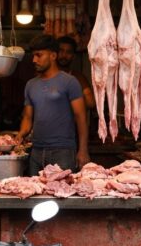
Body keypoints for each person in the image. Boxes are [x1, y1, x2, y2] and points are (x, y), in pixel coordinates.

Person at [16, 34, 90, 175]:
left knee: (61, 195)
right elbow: (27, 117)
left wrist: (83, 150)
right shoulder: (30, 85)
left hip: (63, 151)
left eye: (39, 55)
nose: (34, 60)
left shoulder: (70, 82)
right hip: (36, 152)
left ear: (53, 56)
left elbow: (81, 117)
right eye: (33, 55)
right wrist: (21, 133)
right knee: (36, 194)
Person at [56, 36, 96, 110]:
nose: (64, 55)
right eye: (61, 51)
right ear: (54, 53)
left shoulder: (78, 77)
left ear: (73, 56)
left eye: (68, 52)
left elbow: (91, 102)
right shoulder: (44, 75)